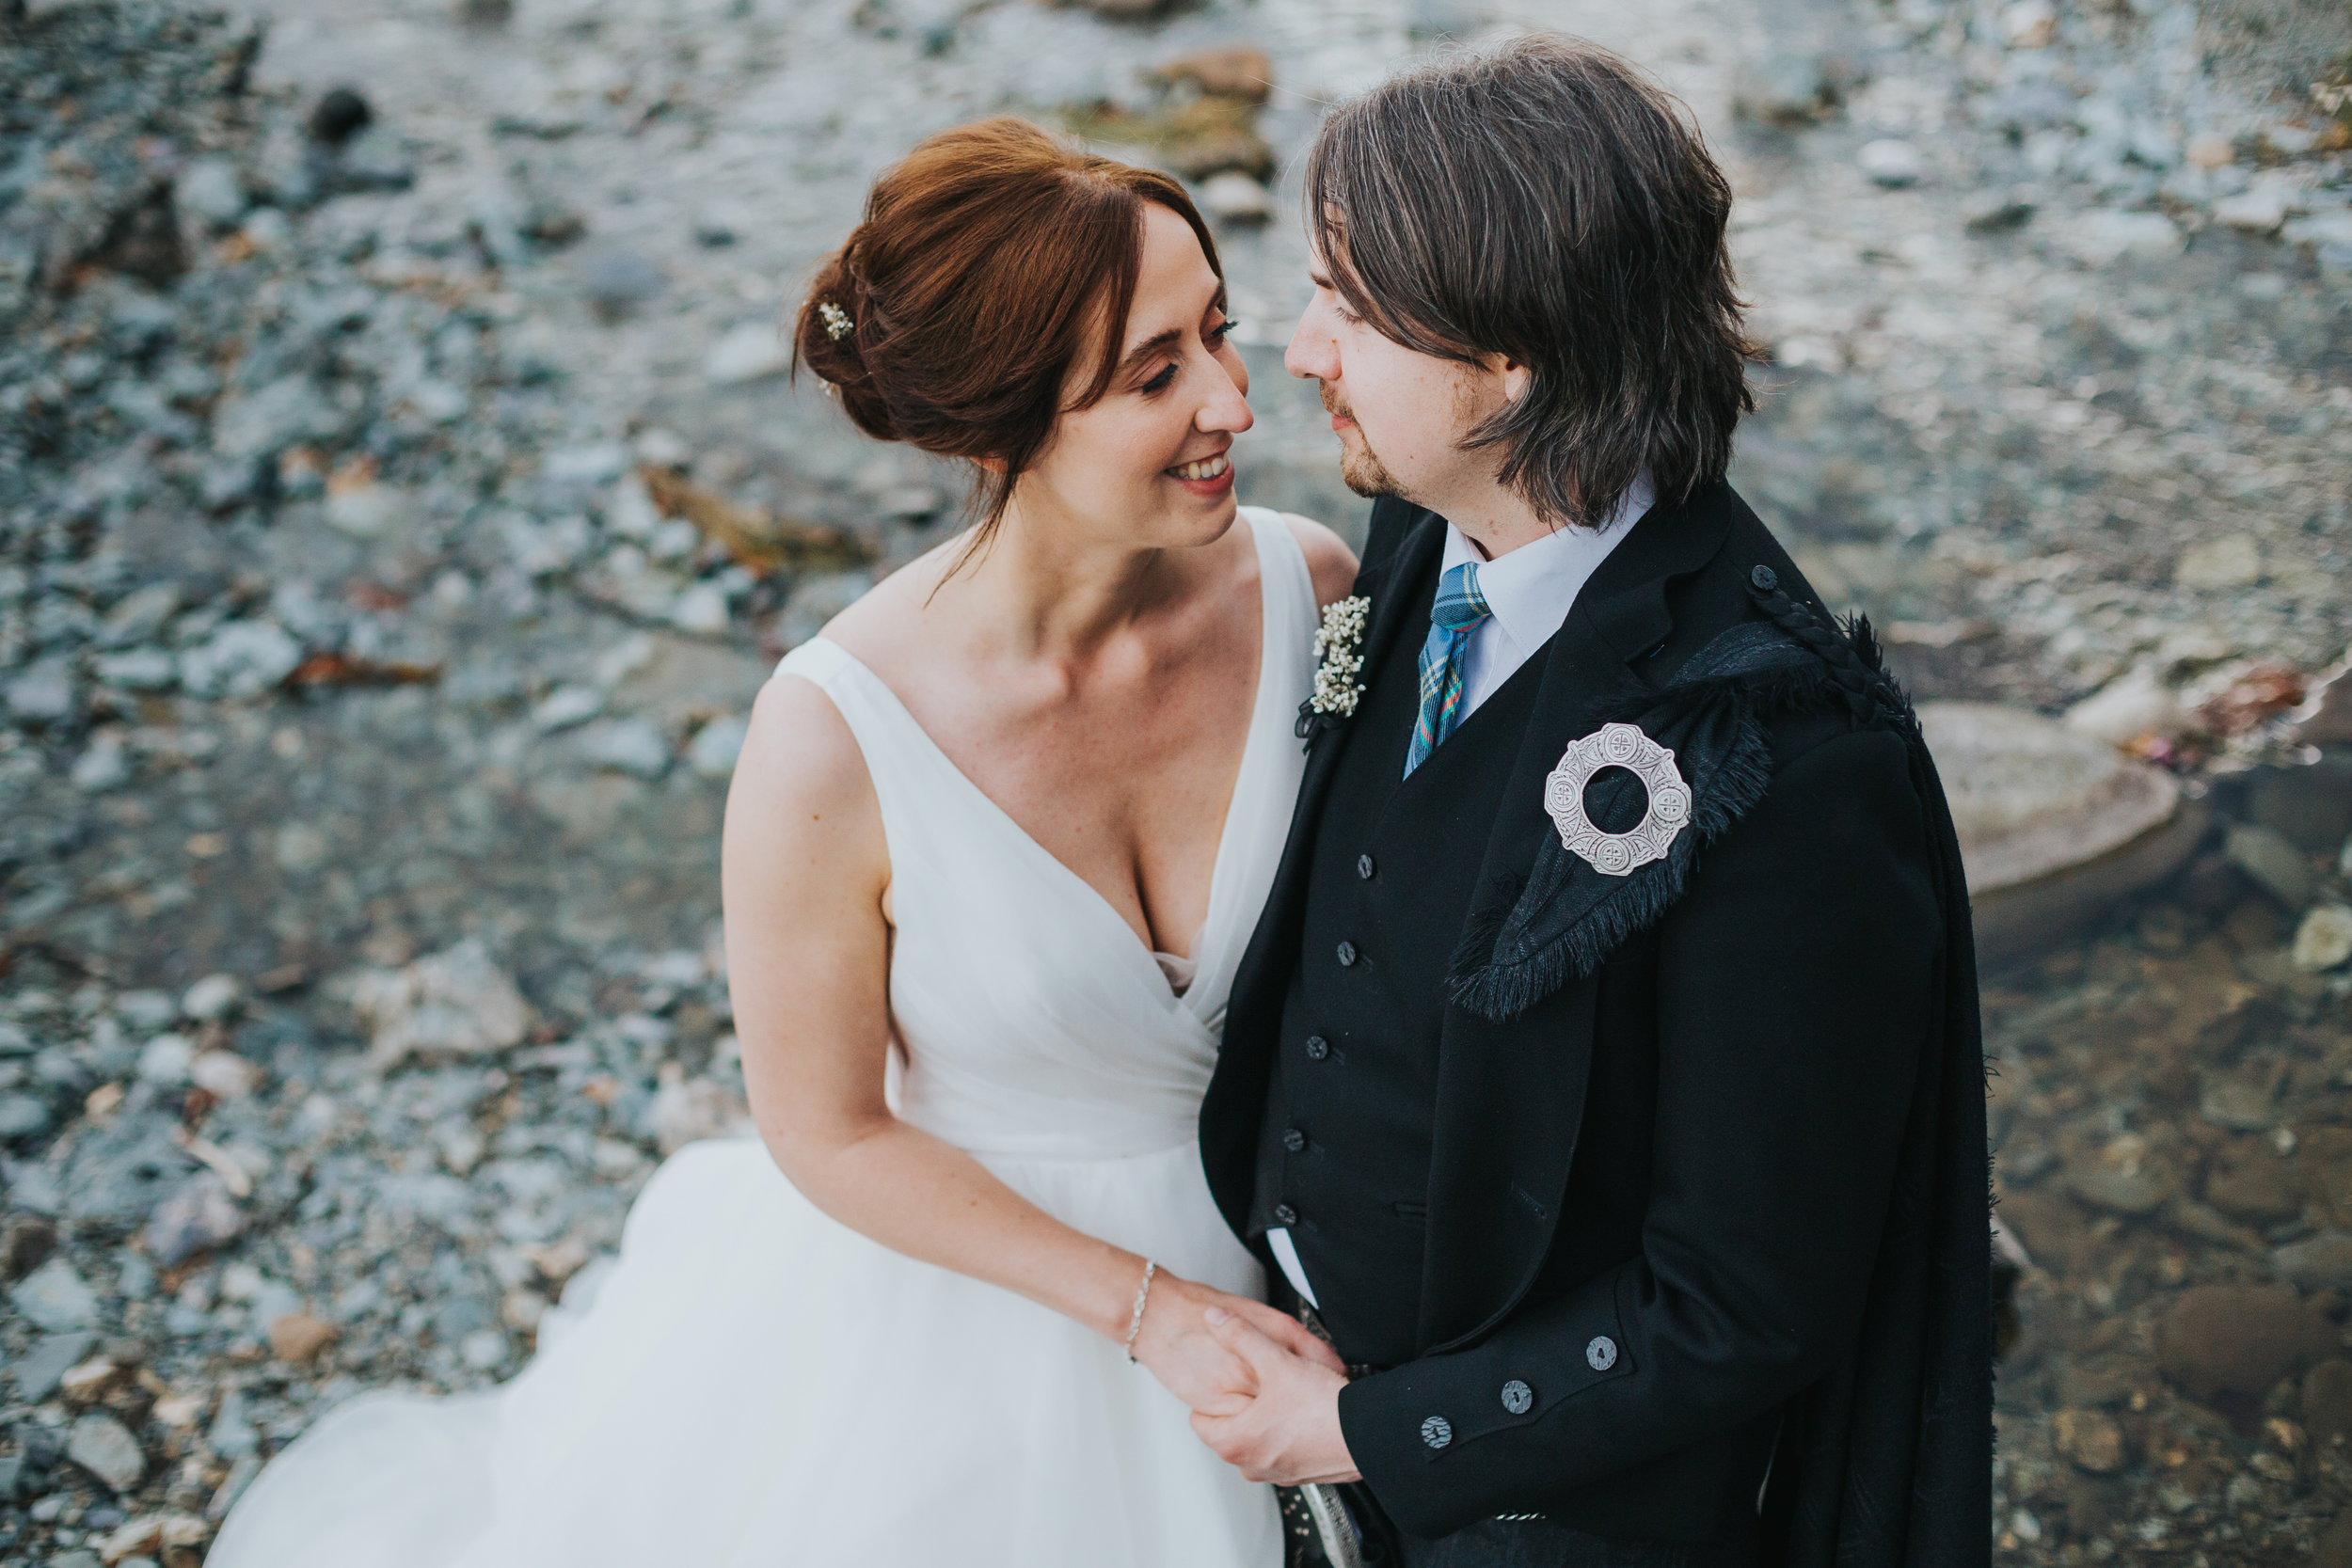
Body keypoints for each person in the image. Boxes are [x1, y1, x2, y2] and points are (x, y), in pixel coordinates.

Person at [208, 117, 1357, 1568]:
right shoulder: (835, 734)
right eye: (1155, 375)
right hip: (977, 1304)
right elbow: (827, 1130)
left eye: (1220, 332)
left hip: (1301, 1245)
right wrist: (1150, 1310)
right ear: (1001, 425)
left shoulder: (1314, 593)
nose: (1236, 405)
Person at [1185, 38, 1993, 1568]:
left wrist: (1367, 1438)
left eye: (1348, 307)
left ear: (1514, 363)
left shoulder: (1793, 759)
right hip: (1288, 1379)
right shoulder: (1425, 536)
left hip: (1555, 1513)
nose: (1298, 353)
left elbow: (1743, 1300)